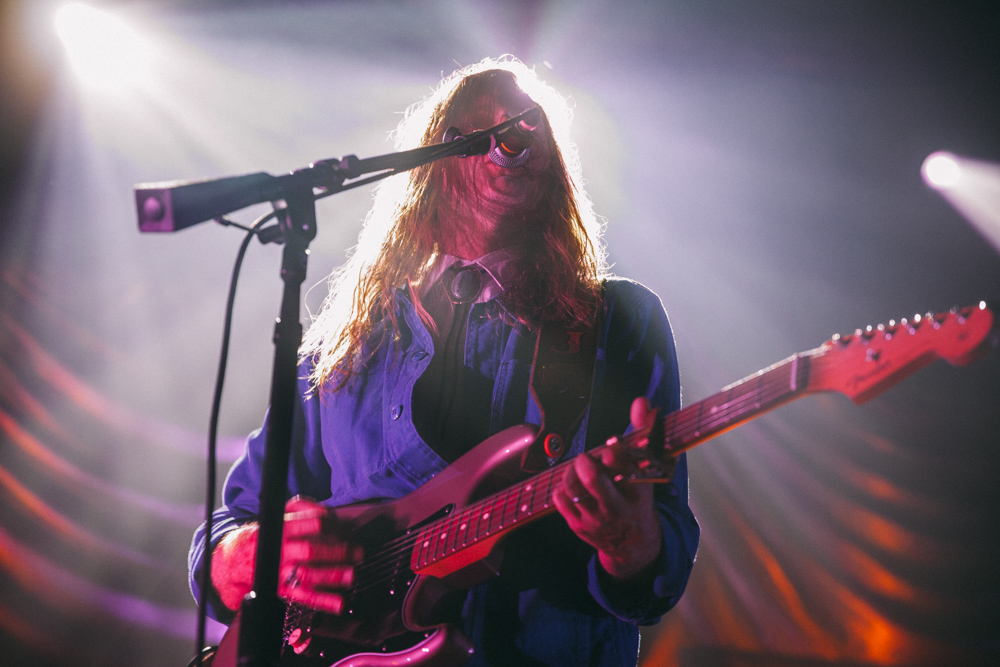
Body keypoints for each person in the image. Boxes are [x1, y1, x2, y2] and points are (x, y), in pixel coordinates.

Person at [189, 56, 699, 666]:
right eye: (477, 125)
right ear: (433, 160)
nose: (515, 128)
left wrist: (631, 544)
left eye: (530, 122)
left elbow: (660, 556)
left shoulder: (616, 320)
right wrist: (242, 555)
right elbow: (238, 518)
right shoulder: (346, 340)